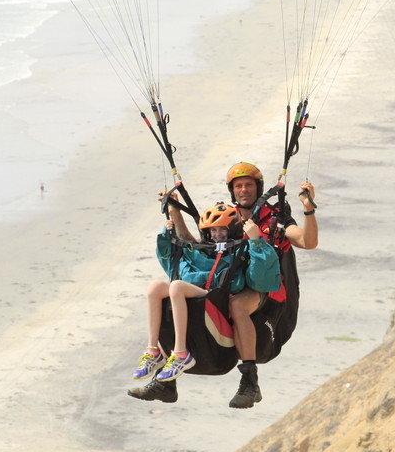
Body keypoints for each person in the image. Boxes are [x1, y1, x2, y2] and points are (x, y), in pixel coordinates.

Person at [130, 162, 318, 408]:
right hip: (229, 282)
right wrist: (175, 212)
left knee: (237, 306)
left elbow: (308, 242)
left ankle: (249, 383)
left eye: (248, 185)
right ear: (232, 191)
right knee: (177, 297)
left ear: (258, 187)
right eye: (238, 186)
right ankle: (166, 380)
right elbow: (200, 248)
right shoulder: (228, 216)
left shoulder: (275, 218)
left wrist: (308, 209)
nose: (244, 190)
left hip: (262, 286)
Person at [131, 202, 280, 388]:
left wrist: (255, 240)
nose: (217, 234)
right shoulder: (201, 252)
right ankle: (153, 350)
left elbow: (261, 280)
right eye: (213, 230)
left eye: (222, 229)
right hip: (197, 294)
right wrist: (165, 236)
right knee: (155, 287)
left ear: (233, 230)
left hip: (218, 297)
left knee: (176, 287)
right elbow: (171, 262)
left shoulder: (242, 250)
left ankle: (180, 353)